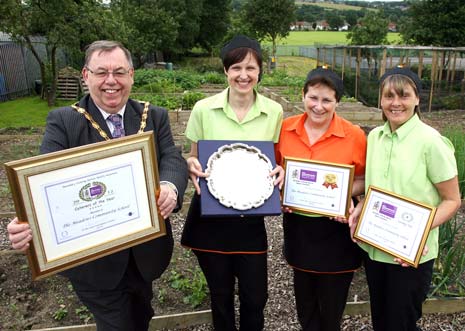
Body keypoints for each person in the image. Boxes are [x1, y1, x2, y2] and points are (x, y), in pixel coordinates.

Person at [7, 40, 188, 331]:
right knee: (116, 325)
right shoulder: (64, 122)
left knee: (141, 316)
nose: (111, 81)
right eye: (101, 72)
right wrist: (27, 219)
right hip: (95, 263)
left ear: (131, 75)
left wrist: (169, 186)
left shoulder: (153, 116)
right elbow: (43, 182)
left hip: (144, 254)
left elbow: (172, 157)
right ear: (85, 76)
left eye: (119, 72)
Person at [180, 35, 283, 331]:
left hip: (250, 219)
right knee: (220, 296)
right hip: (211, 218)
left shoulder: (273, 112)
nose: (243, 75)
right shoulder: (203, 109)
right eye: (236, 67)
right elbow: (194, 156)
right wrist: (190, 165)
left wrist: (281, 171)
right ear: (225, 70)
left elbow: (274, 160)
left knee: (255, 297)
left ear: (260, 71)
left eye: (250, 68)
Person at [348, 66, 461, 331]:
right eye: (389, 96)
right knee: (382, 321)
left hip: (410, 255)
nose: (395, 103)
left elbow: (452, 200)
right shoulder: (375, 137)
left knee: (402, 323)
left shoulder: (431, 142)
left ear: (417, 99)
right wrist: (361, 206)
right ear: (380, 99)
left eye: (404, 96)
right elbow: (375, 185)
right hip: (375, 249)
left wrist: (417, 232)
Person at [274, 67, 367, 331]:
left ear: (337, 102)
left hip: (335, 230)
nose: (318, 106)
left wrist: (340, 193)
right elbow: (274, 170)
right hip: (298, 228)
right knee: (305, 304)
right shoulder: (284, 130)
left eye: (327, 100)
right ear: (302, 95)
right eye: (313, 98)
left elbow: (363, 179)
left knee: (332, 307)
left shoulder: (354, 135)